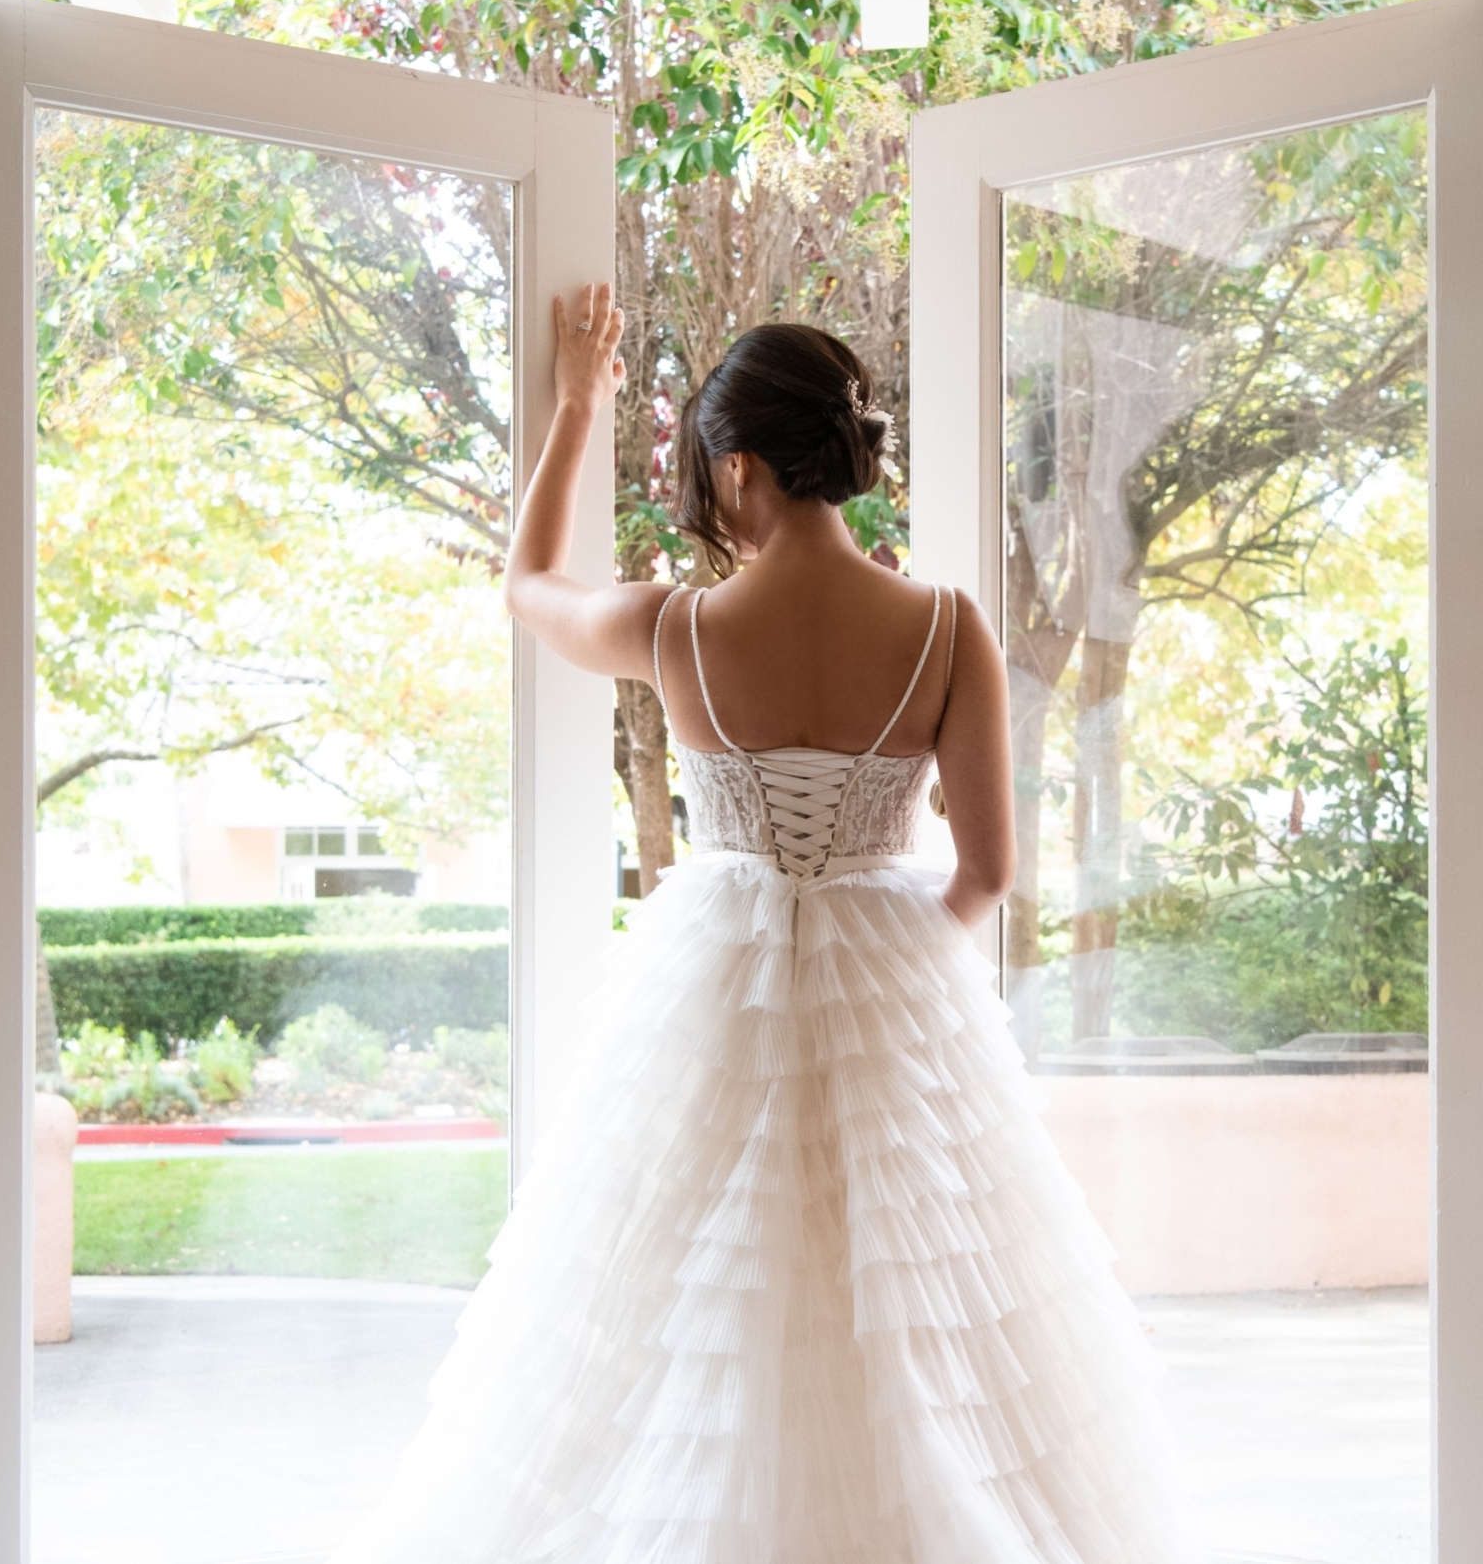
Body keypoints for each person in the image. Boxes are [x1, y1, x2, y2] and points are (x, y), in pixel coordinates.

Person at [332, 285, 1191, 1564]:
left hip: (705, 1002)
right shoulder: (945, 625)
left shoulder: (673, 626)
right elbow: (990, 870)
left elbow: (527, 585)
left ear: (735, 465)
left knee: (676, 1314)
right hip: (895, 1004)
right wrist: (884, 969)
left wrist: (578, 410)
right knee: (923, 1327)